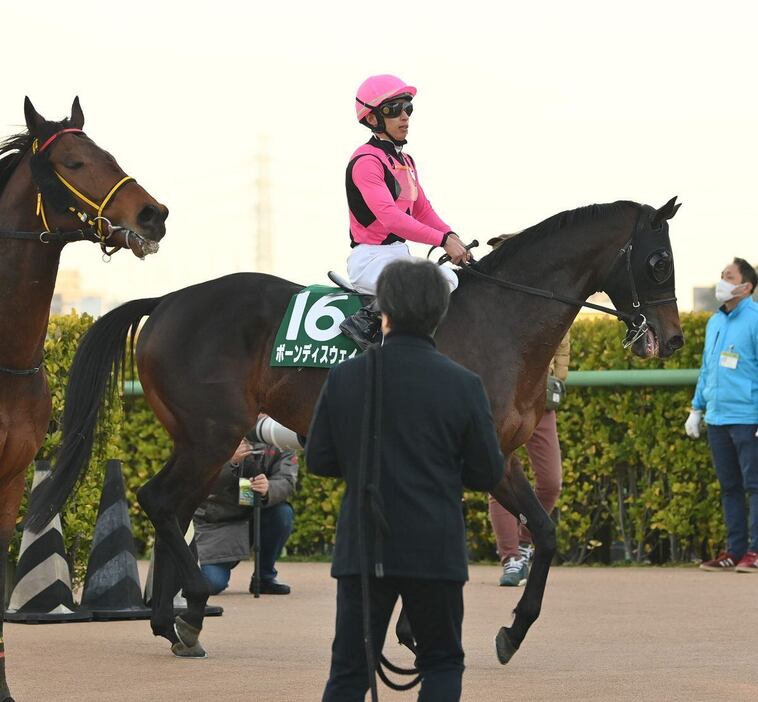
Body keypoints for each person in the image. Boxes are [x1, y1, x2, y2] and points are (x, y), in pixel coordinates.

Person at [307, 259, 504, 702]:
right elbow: (487, 473)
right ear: (440, 314)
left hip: (364, 544)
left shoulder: (346, 377)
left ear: (384, 311)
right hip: (434, 546)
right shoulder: (464, 384)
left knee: (349, 673)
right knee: (441, 662)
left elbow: (319, 460)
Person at [339, 73, 472, 350]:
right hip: (370, 259)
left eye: (407, 108)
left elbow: (422, 210)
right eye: (394, 110)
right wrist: (441, 240)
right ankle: (367, 323)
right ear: (373, 118)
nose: (404, 117)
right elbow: (391, 218)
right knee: (417, 287)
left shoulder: (405, 161)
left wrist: (451, 234)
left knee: (449, 278)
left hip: (398, 256)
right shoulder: (366, 161)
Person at [685, 258, 758, 573]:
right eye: (721, 276)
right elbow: (707, 368)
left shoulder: (755, 320)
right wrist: (696, 408)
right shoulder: (715, 322)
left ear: (746, 287)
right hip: (717, 417)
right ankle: (735, 550)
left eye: (729, 277)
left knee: (754, 485)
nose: (722, 281)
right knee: (729, 486)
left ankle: (755, 552)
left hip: (748, 417)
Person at [488, 331, 569, 586]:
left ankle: (524, 542)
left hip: (540, 398)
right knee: (501, 477)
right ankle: (511, 557)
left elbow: (562, 345)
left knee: (551, 482)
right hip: (506, 396)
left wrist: (556, 379)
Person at [193, 427, 298, 595]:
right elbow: (200, 480)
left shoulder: (281, 438)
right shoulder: (215, 432)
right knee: (211, 584)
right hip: (220, 524)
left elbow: (287, 480)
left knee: (282, 513)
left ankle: (265, 577)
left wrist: (268, 488)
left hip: (257, 515)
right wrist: (230, 462)